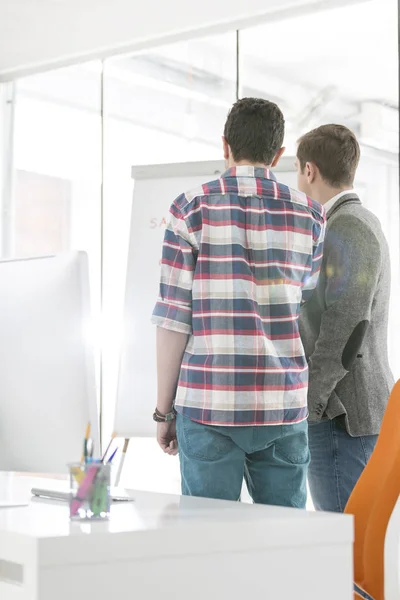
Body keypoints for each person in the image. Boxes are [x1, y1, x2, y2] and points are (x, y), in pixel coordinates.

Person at [151, 97, 325, 507]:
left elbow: (173, 321)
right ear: (279, 154)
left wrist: (163, 412)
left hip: (210, 403)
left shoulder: (190, 208)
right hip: (282, 405)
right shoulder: (312, 216)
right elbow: (304, 307)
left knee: (210, 550)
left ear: (225, 145)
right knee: (280, 547)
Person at [296, 124, 394, 512]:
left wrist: (310, 405)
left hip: (342, 416)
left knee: (345, 552)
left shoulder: (348, 225)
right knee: (350, 549)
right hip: (345, 413)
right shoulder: (349, 222)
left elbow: (346, 326)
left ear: (310, 171)